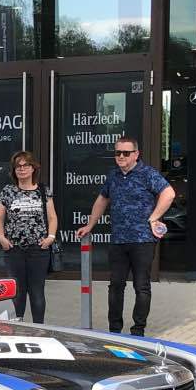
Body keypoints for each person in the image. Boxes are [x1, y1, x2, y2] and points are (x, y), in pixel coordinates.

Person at [77, 135, 175, 337]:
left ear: (136, 154)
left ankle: (138, 331)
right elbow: (102, 200)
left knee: (141, 286)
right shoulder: (113, 176)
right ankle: (115, 330)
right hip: (118, 240)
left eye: (126, 153)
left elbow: (169, 194)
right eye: (117, 153)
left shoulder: (147, 173)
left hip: (142, 240)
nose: (121, 156)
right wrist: (90, 225)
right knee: (115, 286)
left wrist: (154, 217)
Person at [0, 150, 57, 324]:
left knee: (37, 293)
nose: (21, 169)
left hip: (39, 249)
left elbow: (52, 217)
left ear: (33, 168)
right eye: (18, 166)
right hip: (14, 250)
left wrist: (51, 237)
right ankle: (18, 327)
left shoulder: (43, 190)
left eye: (25, 165)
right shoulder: (8, 191)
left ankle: (39, 329)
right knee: (17, 293)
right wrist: (1, 237)